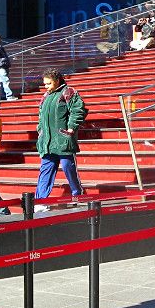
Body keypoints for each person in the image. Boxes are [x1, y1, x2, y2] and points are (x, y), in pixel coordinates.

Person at [34, 68, 88, 210]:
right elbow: (41, 116)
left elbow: (78, 109)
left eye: (48, 83)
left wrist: (71, 127)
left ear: (57, 80)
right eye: (45, 84)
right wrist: (40, 130)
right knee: (46, 170)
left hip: (62, 139)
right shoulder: (46, 96)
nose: (46, 87)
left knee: (67, 167)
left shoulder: (69, 92)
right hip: (47, 142)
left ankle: (77, 194)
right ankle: (40, 201)